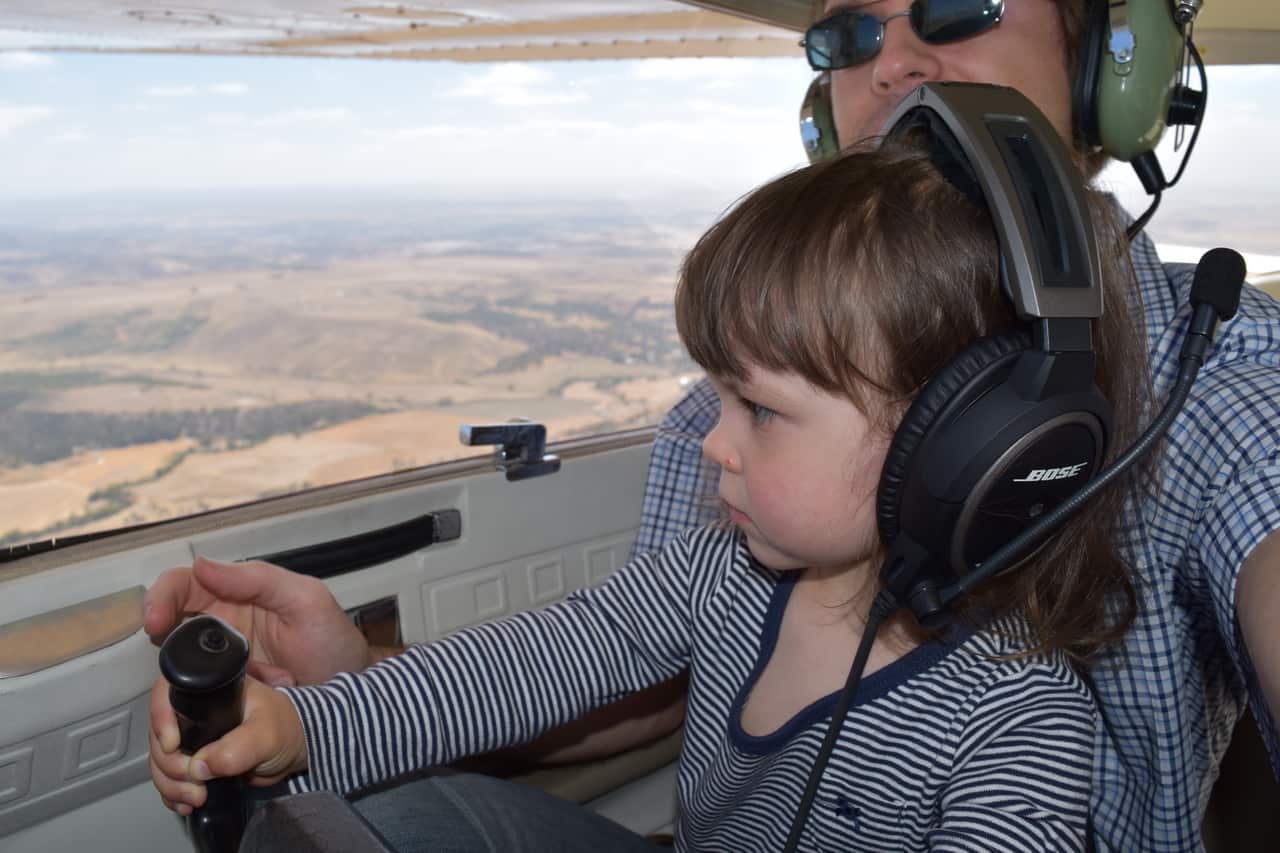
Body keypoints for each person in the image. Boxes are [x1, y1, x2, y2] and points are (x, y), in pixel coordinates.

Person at [145, 1, 1280, 848]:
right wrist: (322, 721)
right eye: (849, 26)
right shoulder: (732, 564)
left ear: (966, 436)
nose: (891, 59)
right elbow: (553, 657)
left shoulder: (1021, 730)